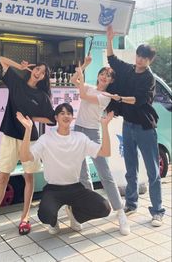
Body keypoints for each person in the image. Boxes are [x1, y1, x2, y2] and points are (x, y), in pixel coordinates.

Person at [0, 56, 55, 244]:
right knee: (3, 178)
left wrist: (32, 118)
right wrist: (21, 66)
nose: (39, 73)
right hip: (9, 135)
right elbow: (1, 60)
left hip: (30, 140)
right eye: (37, 69)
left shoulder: (42, 96)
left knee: (29, 177)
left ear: (44, 78)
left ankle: (24, 218)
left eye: (43, 72)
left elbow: (52, 119)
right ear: (32, 70)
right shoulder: (16, 82)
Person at [18, 103, 112, 234]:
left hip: (75, 188)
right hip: (53, 189)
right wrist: (28, 130)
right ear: (56, 117)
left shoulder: (80, 138)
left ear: (72, 118)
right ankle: (53, 220)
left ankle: (74, 214)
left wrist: (104, 126)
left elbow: (105, 152)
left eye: (69, 113)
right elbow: (24, 157)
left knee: (104, 208)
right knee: (45, 214)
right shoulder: (46, 139)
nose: (66, 116)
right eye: (62, 113)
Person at [106, 25, 165, 227]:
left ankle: (157, 211)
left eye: (144, 57)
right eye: (139, 55)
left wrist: (119, 98)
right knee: (130, 167)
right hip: (128, 125)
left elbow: (139, 100)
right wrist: (109, 38)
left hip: (145, 128)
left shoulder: (149, 78)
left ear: (150, 60)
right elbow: (112, 59)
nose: (140, 59)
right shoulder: (129, 69)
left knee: (152, 171)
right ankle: (131, 203)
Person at [71, 61, 130, 235]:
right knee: (82, 174)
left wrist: (82, 73)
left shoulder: (106, 96)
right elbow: (74, 79)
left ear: (111, 81)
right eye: (103, 73)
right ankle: (85, 210)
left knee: (105, 174)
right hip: (78, 131)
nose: (104, 76)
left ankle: (120, 212)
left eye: (108, 76)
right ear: (98, 75)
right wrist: (83, 67)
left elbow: (82, 95)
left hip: (92, 133)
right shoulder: (89, 86)